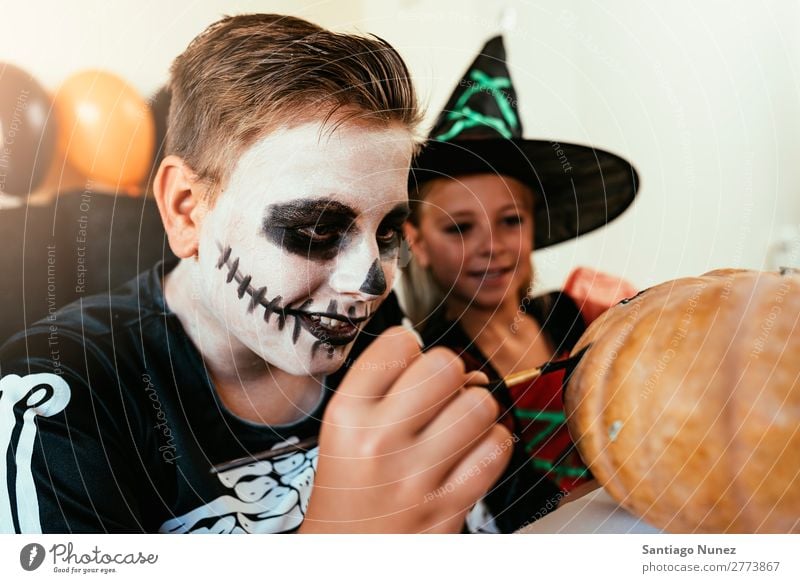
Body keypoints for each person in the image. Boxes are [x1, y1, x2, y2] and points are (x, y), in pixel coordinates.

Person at [0, 14, 512, 534]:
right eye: (314, 229)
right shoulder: (63, 397)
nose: (371, 282)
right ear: (185, 209)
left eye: (387, 233)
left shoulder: (371, 334)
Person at [401, 35, 639, 532]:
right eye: (459, 227)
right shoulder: (437, 370)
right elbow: (512, 510)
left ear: (534, 228)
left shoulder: (582, 316)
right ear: (417, 241)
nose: (491, 245)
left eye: (510, 220)